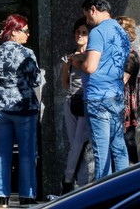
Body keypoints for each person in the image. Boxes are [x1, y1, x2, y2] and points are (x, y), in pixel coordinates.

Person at [70, 0, 131, 180]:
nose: (87, 21)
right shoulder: (121, 31)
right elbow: (107, 59)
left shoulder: (97, 32)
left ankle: (104, 196)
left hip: (98, 98)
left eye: (87, 16)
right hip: (116, 95)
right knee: (119, 147)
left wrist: (76, 62)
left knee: (101, 151)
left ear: (93, 9)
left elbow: (90, 67)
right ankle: (123, 191)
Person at [0, 14, 41, 206]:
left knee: (2, 152)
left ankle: (1, 195)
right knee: (27, 152)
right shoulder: (27, 53)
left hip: (0, 106)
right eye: (25, 31)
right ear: (15, 32)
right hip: (23, 107)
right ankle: (26, 194)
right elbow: (36, 80)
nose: (28, 35)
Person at [60, 18, 91, 193]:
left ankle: (67, 179)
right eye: (77, 32)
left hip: (86, 100)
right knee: (75, 145)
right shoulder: (67, 56)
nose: (80, 35)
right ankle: (83, 184)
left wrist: (77, 61)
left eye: (84, 32)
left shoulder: (92, 54)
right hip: (71, 100)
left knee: (79, 142)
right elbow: (64, 80)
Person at [116, 15, 139, 163]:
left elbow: (122, 79)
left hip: (126, 105)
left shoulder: (131, 54)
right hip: (117, 103)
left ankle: (134, 176)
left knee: (128, 140)